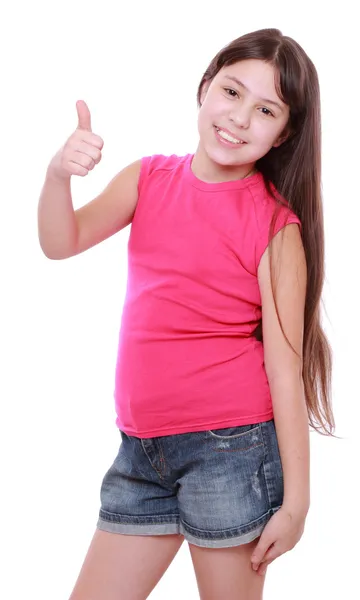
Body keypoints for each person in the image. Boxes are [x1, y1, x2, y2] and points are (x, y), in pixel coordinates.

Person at [38, 27, 335, 600]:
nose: (241, 117)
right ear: (204, 89)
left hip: (231, 453)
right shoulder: (148, 179)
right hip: (140, 452)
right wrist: (57, 177)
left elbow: (284, 371)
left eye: (266, 109)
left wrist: (296, 505)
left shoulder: (277, 230)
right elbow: (61, 241)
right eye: (231, 92)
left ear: (284, 133)